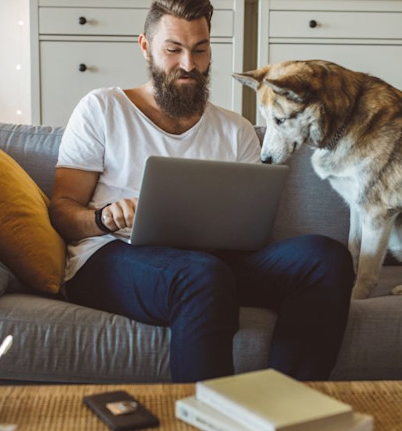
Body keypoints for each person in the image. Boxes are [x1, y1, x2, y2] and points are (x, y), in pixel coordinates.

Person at [50, 0, 353, 383]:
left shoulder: (235, 129)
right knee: (200, 275)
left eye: (200, 49)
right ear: (145, 46)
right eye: (173, 50)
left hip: (214, 264)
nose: (189, 65)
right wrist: (103, 217)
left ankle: (286, 404)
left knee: (324, 257)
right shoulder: (102, 108)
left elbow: (249, 227)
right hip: (113, 256)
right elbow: (62, 209)